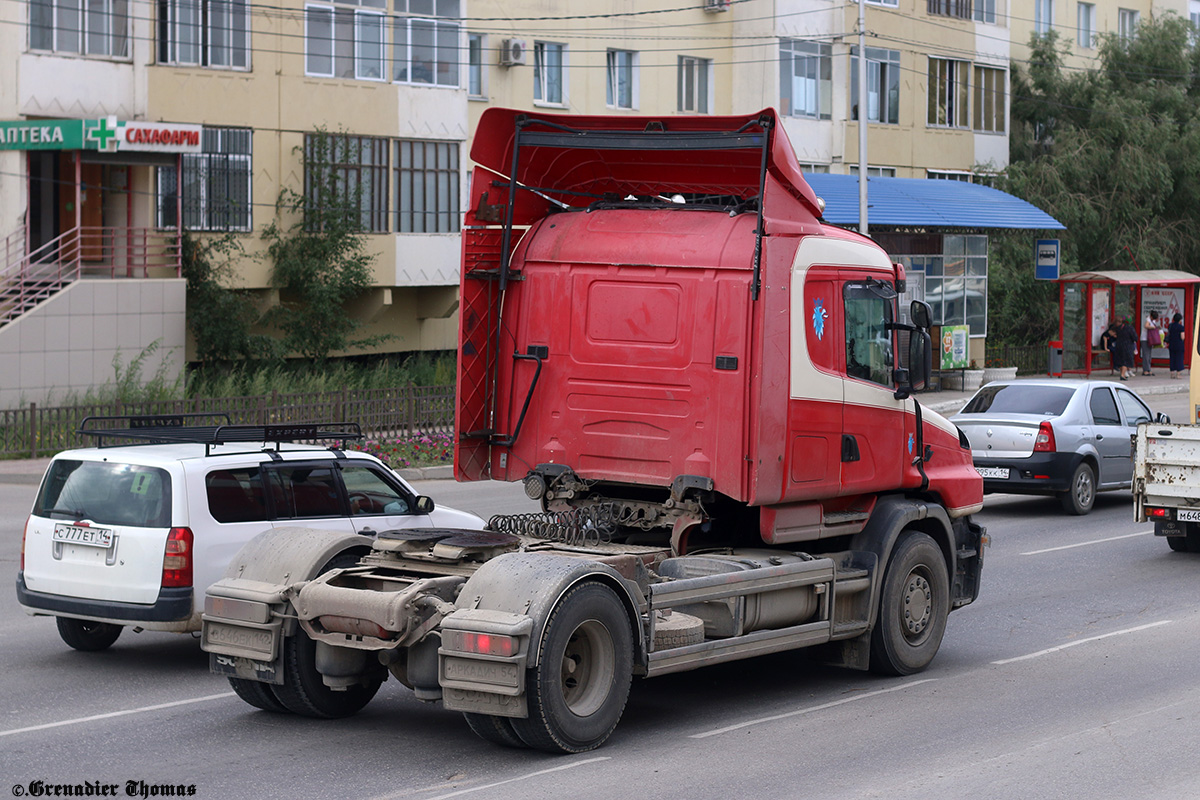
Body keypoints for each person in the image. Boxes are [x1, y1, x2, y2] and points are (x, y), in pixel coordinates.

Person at [1168, 312, 1186, 379]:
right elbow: (1182, 337)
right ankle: (1178, 374)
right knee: (1179, 358)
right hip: (1179, 345)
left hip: (1171, 344)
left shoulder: (1170, 326)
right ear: (1180, 320)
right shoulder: (1181, 327)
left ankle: (1172, 373)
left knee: (1172, 358)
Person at [1141, 309, 1160, 376]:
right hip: (1145, 339)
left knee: (1149, 355)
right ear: (1151, 316)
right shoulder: (1148, 320)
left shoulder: (1152, 320)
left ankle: (1148, 369)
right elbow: (1146, 326)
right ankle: (1145, 370)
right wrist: (1152, 327)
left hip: (1149, 339)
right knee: (1146, 355)